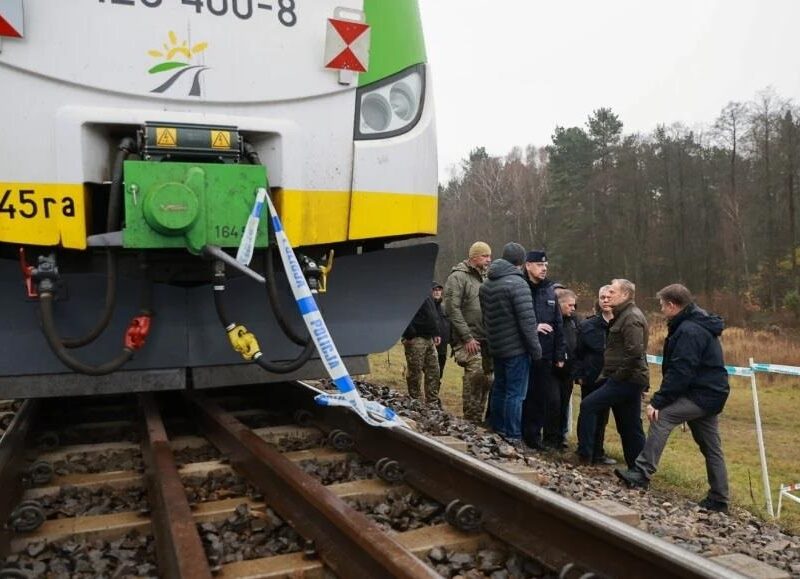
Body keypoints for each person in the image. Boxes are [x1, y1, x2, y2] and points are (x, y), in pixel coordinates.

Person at [615, 284, 731, 513]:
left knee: (662, 417)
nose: (661, 309)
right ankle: (719, 498)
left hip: (702, 393)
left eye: (662, 305)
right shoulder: (693, 324)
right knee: (711, 447)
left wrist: (658, 401)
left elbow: (682, 370)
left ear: (672, 305)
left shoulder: (689, 330)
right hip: (709, 392)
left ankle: (641, 472)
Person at [576, 279, 648, 468]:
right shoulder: (622, 315)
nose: (609, 295)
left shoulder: (631, 317)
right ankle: (637, 468)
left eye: (613, 292)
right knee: (629, 425)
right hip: (625, 378)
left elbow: (634, 352)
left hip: (626, 379)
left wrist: (616, 376)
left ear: (624, 295)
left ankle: (585, 457)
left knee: (589, 405)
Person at [479, 243, 542, 443]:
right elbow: (527, 321)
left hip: (496, 346)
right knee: (516, 394)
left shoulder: (487, 284)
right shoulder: (518, 284)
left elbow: (485, 318)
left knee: (499, 388)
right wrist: (536, 350)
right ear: (521, 262)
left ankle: (497, 427)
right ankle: (513, 435)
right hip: (516, 348)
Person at [521, 250, 566, 450]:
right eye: (540, 265)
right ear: (528, 265)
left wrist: (559, 353)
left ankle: (533, 437)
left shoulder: (549, 290)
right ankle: (516, 432)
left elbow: (558, 323)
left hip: (545, 354)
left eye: (546, 266)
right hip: (523, 351)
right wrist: (533, 327)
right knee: (522, 394)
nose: (544, 269)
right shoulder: (521, 287)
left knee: (540, 397)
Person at [444, 241, 493, 422]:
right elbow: (452, 309)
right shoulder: (458, 277)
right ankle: (470, 420)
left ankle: (478, 419)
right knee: (475, 375)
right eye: (485, 256)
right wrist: (466, 337)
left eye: (489, 256)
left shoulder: (486, 278)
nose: (489, 260)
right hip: (468, 339)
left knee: (487, 380)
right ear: (474, 257)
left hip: (486, 338)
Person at [574, 286, 617, 465]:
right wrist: (579, 374)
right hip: (591, 376)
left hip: (613, 378)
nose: (605, 300)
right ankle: (585, 452)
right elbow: (578, 352)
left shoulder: (624, 323)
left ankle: (598, 452)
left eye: (609, 297)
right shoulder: (587, 325)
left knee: (603, 417)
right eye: (602, 297)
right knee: (588, 414)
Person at [401, 293, 441, 406]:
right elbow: (403, 311)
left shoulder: (426, 288)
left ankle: (432, 403)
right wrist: (409, 334)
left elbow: (432, 312)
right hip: (416, 337)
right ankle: (415, 402)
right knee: (415, 372)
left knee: (434, 370)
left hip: (429, 338)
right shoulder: (409, 288)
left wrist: (436, 332)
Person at [555, 287, 580, 448]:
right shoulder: (554, 322)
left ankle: (561, 435)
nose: (573, 309)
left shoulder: (574, 321)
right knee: (553, 402)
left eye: (574, 306)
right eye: (570, 305)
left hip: (569, 371)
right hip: (553, 370)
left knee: (564, 403)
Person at [432, 282, 450, 379]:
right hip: (429, 345)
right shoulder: (427, 307)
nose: (437, 292)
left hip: (443, 346)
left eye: (439, 290)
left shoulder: (444, 308)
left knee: (439, 372)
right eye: (434, 290)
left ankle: (435, 392)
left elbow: (449, 324)